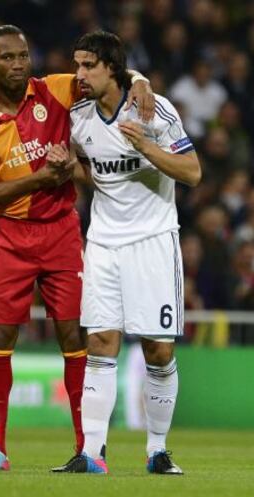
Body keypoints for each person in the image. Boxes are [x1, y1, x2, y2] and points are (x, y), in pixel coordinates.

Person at [0, 24, 155, 472]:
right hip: (7, 236)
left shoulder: (55, 91)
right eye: (7, 57)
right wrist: (40, 179)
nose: (19, 64)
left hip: (61, 231)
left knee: (74, 335)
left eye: (23, 55)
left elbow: (109, 74)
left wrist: (140, 81)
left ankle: (88, 449)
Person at [52, 31, 201, 475]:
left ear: (112, 69)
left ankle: (157, 450)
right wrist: (71, 169)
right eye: (77, 64)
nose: (79, 74)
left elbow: (192, 172)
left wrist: (148, 148)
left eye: (88, 66)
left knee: (157, 350)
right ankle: (93, 454)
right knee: (98, 342)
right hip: (102, 243)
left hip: (152, 242)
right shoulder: (78, 116)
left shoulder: (152, 110)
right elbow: (98, 173)